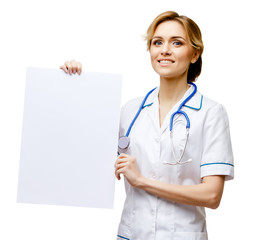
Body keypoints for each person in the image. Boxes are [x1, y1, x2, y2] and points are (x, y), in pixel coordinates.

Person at [60, 10, 234, 240]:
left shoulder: (210, 113)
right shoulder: (131, 110)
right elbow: (84, 152)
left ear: (194, 54)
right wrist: (75, 84)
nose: (164, 50)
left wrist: (141, 181)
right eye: (157, 42)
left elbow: (212, 196)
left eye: (177, 42)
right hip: (133, 233)